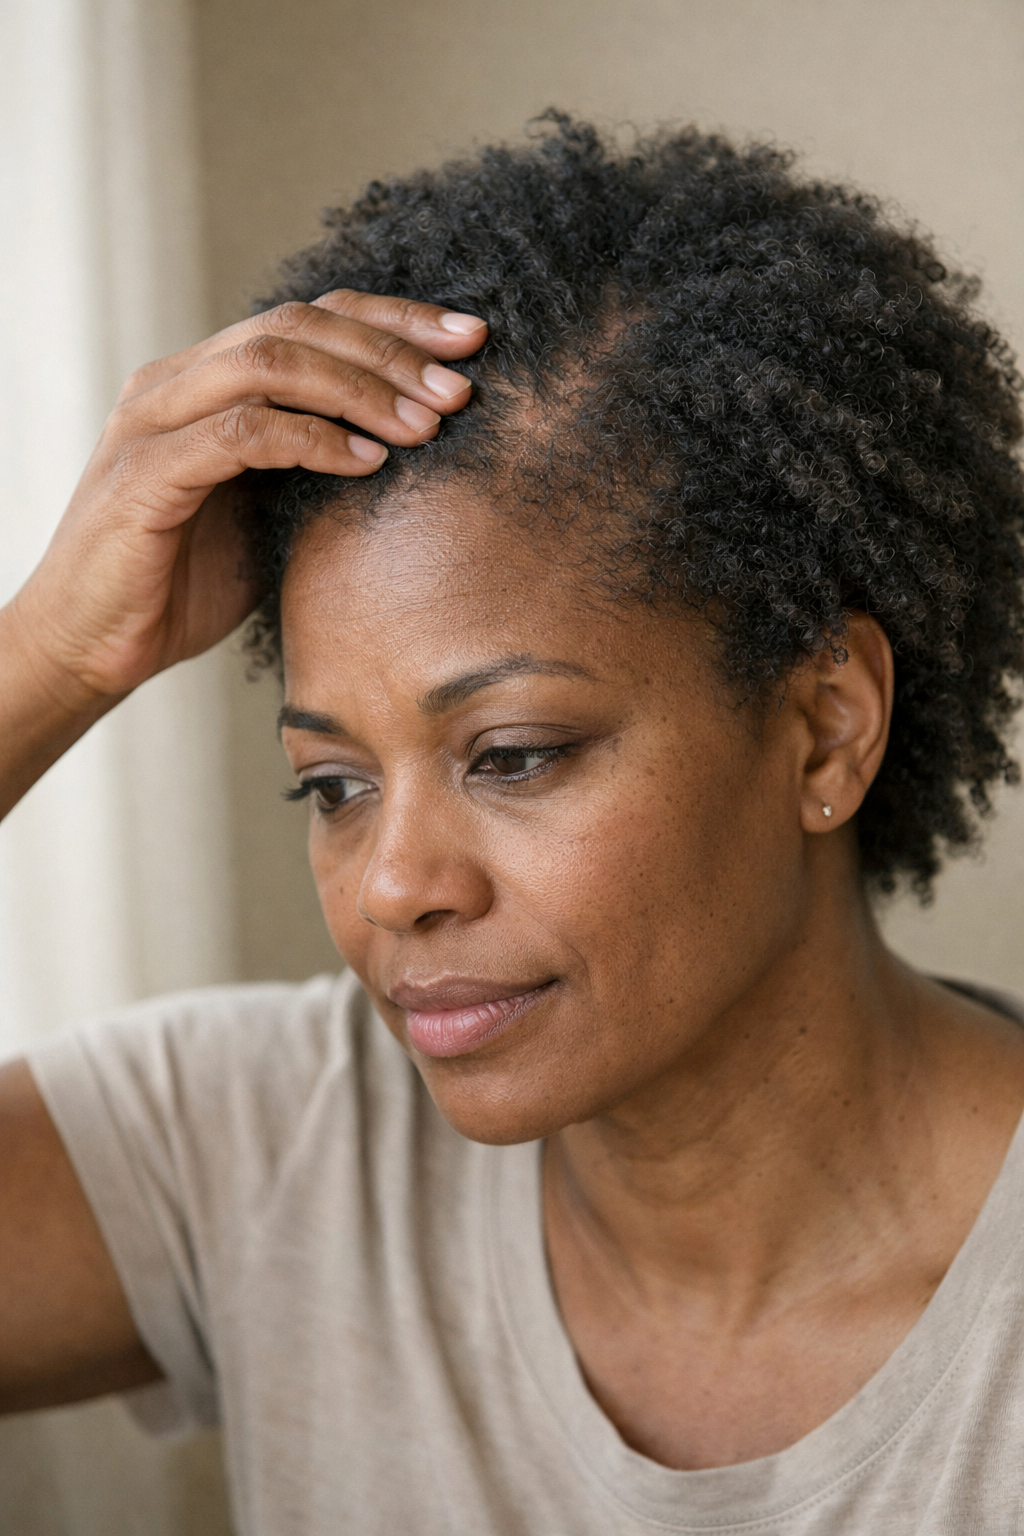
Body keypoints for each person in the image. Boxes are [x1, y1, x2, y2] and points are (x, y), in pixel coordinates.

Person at [2, 113, 1024, 1535]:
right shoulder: (266, 1152)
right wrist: (47, 658)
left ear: (824, 728)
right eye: (334, 787)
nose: (393, 886)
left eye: (515, 755)